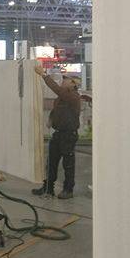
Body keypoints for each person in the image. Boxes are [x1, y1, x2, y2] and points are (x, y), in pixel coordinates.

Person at [32, 63, 83, 199]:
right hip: (58, 134)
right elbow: (56, 110)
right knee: (51, 162)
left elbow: (57, 90)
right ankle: (48, 188)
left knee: (68, 164)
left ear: (73, 84)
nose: (63, 81)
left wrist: (43, 75)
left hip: (68, 135)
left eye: (66, 80)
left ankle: (68, 190)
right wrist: (51, 119)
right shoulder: (61, 98)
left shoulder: (73, 96)